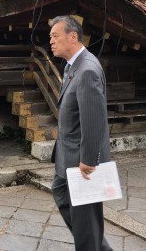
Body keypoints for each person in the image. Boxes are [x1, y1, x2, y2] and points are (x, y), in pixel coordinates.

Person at [49, 15, 113, 251]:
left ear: (73, 36)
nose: (51, 42)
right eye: (50, 37)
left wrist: (88, 159)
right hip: (68, 157)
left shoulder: (86, 69)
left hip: (82, 163)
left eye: (55, 36)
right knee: (61, 194)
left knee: (85, 222)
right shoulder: (74, 65)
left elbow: (94, 119)